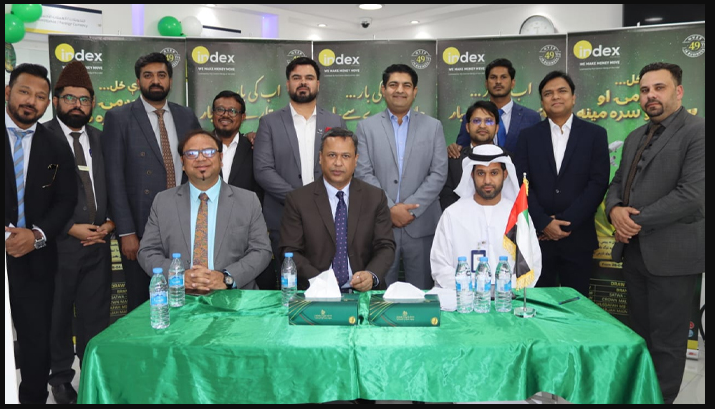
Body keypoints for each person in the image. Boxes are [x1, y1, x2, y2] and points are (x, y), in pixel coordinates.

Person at [605, 62, 704, 404]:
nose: (650, 96)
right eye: (645, 90)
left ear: (679, 91)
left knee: (667, 344)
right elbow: (617, 183)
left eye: (659, 88)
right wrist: (615, 211)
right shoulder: (635, 135)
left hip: (673, 258)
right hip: (635, 255)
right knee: (640, 336)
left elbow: (692, 195)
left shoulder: (698, 131)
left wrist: (634, 221)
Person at [103, 52, 201, 312]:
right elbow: (114, 177)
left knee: (186, 297)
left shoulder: (186, 116)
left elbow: (199, 163)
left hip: (185, 221)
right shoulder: (119, 117)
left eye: (161, 75)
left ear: (170, 81)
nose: (155, 81)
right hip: (141, 227)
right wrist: (126, 232)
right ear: (138, 81)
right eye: (148, 75)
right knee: (142, 301)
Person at [5, 63, 77, 404]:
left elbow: (66, 200)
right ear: (7, 92)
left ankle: (32, 399)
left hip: (36, 259)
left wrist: (35, 236)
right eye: (24, 92)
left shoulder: (56, 145)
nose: (30, 101)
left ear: (48, 103)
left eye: (40, 96)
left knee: (36, 342)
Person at [43, 61, 113, 405]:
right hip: (58, 246)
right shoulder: (41, 137)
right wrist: (69, 227)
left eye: (84, 100)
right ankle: (59, 378)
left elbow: (114, 185)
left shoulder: (101, 139)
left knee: (95, 316)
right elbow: (35, 193)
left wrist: (110, 223)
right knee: (57, 314)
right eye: (70, 98)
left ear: (93, 104)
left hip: (99, 244)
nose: (77, 105)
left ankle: (92, 374)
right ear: (56, 100)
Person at [138, 130, 272, 292]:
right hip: (180, 298)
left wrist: (227, 279)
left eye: (209, 152)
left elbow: (261, 250)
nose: (201, 158)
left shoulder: (248, 200)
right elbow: (147, 251)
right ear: (182, 162)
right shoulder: (163, 201)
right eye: (192, 154)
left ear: (220, 158)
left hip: (235, 298)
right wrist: (177, 276)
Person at [514, 71, 609, 297]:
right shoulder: (528, 136)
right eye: (548, 93)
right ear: (542, 101)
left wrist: (565, 223)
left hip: (578, 238)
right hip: (538, 239)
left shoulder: (595, 134)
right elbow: (521, 183)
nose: (555, 96)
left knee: (576, 305)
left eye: (562, 91)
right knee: (538, 304)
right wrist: (544, 222)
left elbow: (598, 183)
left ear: (573, 97)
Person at [355, 64, 448, 289]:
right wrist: (390, 209)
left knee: (423, 293)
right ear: (383, 89)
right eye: (393, 84)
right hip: (380, 226)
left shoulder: (433, 127)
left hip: (422, 225)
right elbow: (363, 172)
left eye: (406, 85)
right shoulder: (366, 127)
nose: (400, 90)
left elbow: (438, 173)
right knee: (381, 293)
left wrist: (410, 210)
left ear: (415, 91)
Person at [253, 57, 346, 279]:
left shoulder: (335, 121)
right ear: (288, 84)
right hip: (284, 216)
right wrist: (300, 200)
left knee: (326, 281)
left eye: (309, 78)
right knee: (289, 283)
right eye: (297, 78)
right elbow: (263, 170)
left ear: (318, 84)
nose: (303, 82)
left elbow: (343, 166)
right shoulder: (269, 123)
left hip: (330, 216)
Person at [279, 127, 395, 292]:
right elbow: (290, 251)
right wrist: (321, 281)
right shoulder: (298, 200)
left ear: (356, 160)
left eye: (345, 156)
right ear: (321, 158)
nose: (338, 163)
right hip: (315, 291)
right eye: (332, 155)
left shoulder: (375, 197)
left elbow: (386, 246)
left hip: (363, 293)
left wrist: (370, 275)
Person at [431, 144, 541, 289]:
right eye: (481, 173)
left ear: (505, 175)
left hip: (509, 297)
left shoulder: (517, 215)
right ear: (472, 175)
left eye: (494, 173)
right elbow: (440, 266)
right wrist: (474, 288)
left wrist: (502, 289)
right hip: (463, 297)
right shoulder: (452, 214)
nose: (487, 180)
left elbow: (531, 264)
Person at [211, 90, 275, 290]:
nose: (226, 115)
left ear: (243, 116)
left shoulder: (255, 147)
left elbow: (263, 188)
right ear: (212, 114)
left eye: (232, 111)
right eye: (220, 109)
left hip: (246, 236)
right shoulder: (201, 148)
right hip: (208, 234)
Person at [447, 58, 541, 159]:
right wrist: (454, 149)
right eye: (493, 77)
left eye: (503, 77)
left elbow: (537, 154)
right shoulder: (470, 118)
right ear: (486, 83)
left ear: (513, 83)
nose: (498, 82)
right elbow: (462, 152)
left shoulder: (531, 118)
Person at [440, 100, 500, 210]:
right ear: (467, 127)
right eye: (476, 121)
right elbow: (446, 198)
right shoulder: (453, 159)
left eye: (488, 121)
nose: (482, 125)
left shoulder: (508, 159)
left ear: (496, 128)